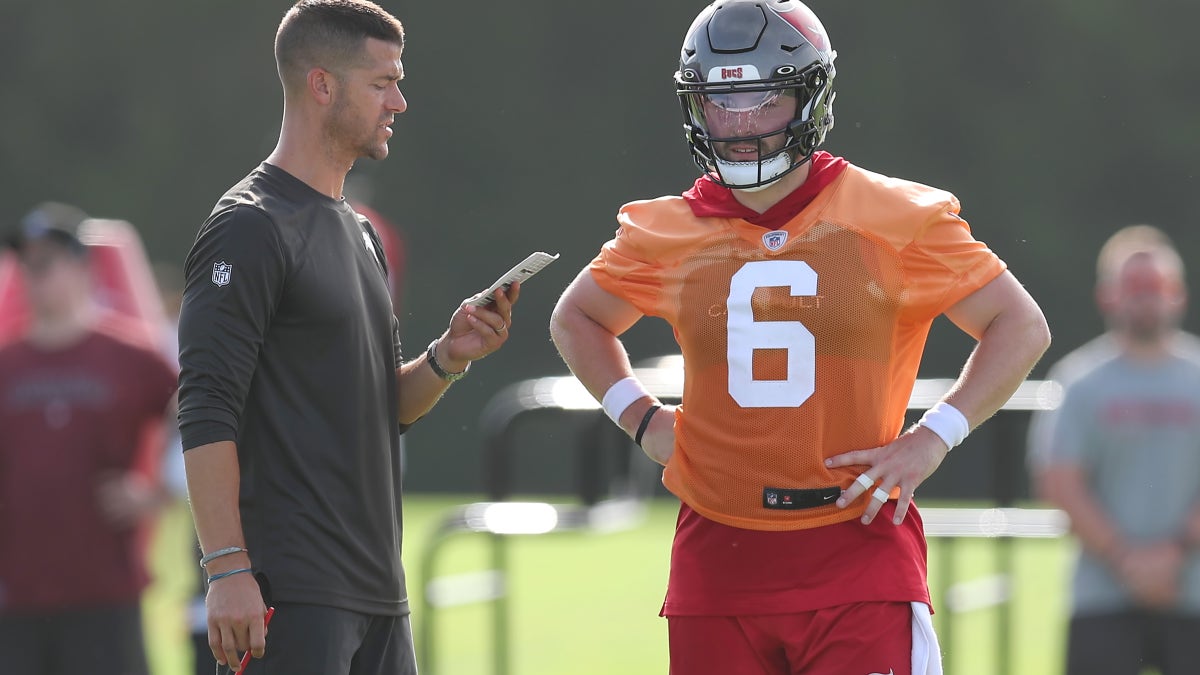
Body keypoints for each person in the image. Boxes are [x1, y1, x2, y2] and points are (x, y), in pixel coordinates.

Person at [548, 1, 1051, 673]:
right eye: (721, 102)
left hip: (857, 544)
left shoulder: (892, 216)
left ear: (810, 96)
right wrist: (643, 420)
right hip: (717, 552)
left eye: (763, 99)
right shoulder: (667, 232)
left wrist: (933, 437)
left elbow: (1020, 324)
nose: (740, 124)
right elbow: (576, 317)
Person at [175, 2, 518, 674]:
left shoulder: (360, 232)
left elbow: (379, 408)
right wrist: (226, 568)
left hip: (378, 598)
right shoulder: (249, 227)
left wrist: (448, 357)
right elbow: (205, 404)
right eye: (381, 82)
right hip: (287, 596)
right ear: (322, 86)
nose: (401, 101)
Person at [0, 203, 178, 675]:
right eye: (26, 263)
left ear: (83, 268)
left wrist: (159, 492)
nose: (33, 275)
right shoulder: (6, 363)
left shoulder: (129, 356)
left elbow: (199, 413)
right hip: (15, 595)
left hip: (104, 590)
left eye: (47, 262)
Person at [1027, 224, 1200, 675]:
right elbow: (1059, 480)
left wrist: (1174, 553)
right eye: (1133, 287)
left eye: (1155, 287)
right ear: (1109, 296)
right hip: (1101, 598)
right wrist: (1127, 559)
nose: (1145, 297)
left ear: (1177, 293)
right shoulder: (1079, 381)